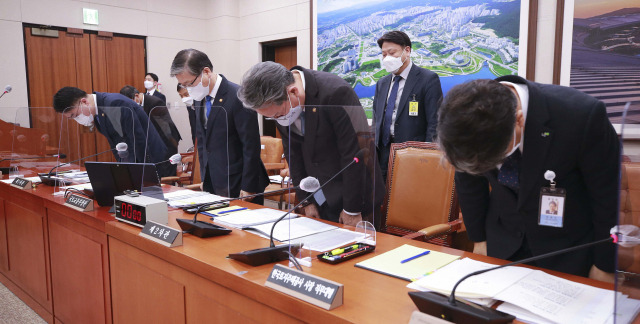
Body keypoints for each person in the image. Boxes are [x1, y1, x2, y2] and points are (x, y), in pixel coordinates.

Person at [437, 76, 619, 281]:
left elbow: (607, 196)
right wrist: (479, 239)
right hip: (502, 245)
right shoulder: (460, 116)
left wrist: (604, 265)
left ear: (519, 120)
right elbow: (468, 183)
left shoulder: (581, 115)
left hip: (567, 252)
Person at [237, 61, 384, 227]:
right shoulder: (281, 103)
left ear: (293, 91)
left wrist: (352, 209)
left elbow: (356, 154)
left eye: (278, 115)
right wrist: (307, 201)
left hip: (356, 199)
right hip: (321, 199)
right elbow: (293, 154)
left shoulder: (335, 93)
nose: (278, 120)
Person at [169, 49, 268, 204]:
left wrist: (248, 185)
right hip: (213, 181)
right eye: (183, 85)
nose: (188, 89)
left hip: (239, 181)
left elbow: (251, 145)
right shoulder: (199, 97)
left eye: (189, 83)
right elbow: (201, 141)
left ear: (206, 72)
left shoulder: (238, 95)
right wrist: (204, 177)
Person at [52, 87, 173, 177]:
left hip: (150, 162)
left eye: (75, 115)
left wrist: (135, 173)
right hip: (137, 165)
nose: (76, 119)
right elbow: (118, 145)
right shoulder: (99, 111)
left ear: (84, 101)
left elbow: (137, 140)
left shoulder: (114, 104)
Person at [373, 31, 442, 179]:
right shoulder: (382, 83)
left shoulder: (427, 79)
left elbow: (434, 123)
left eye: (392, 53)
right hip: (383, 152)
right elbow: (376, 118)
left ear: (407, 51)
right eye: (384, 54)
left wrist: (426, 156)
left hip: (413, 152)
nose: (387, 58)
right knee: (383, 196)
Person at [120, 85, 182, 177]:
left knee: (166, 173)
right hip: (154, 142)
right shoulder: (138, 105)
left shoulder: (155, 102)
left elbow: (163, 128)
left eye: (130, 102)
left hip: (167, 141)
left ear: (136, 96)